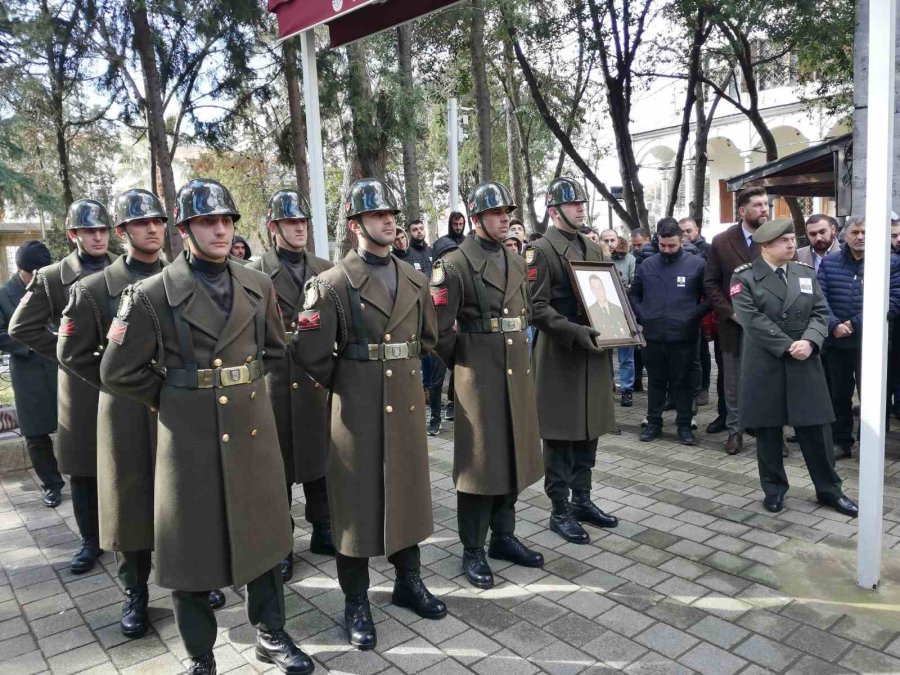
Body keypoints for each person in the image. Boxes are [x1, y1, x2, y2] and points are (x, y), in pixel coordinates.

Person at [99, 178, 312, 675]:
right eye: (206, 222)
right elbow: (116, 371)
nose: (219, 230)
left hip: (251, 432)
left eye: (225, 221)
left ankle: (271, 635)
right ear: (185, 228)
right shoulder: (151, 294)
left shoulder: (257, 284)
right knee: (190, 550)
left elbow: (276, 351)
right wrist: (176, 398)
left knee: (262, 537)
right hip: (188, 440)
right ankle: (200, 654)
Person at [57, 189, 227, 636]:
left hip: (178, 414)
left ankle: (198, 575)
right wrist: (125, 386)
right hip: (128, 412)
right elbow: (73, 354)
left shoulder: (184, 280)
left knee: (189, 501)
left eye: (156, 221)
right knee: (132, 506)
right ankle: (135, 593)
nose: (151, 229)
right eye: (139, 223)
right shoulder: (93, 290)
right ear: (122, 232)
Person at [291, 178, 446, 651]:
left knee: (407, 491)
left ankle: (408, 580)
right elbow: (310, 352)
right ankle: (355, 599)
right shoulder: (331, 284)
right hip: (355, 409)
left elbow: (429, 338)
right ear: (356, 224)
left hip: (403, 404)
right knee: (354, 505)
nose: (389, 221)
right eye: (377, 215)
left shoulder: (416, 278)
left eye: (391, 214)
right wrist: (353, 380)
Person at [431, 180, 544, 589]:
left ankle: (504, 536)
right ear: (477, 218)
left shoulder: (516, 260)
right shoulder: (455, 264)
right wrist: (466, 363)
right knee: (480, 467)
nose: (504, 219)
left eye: (506, 213)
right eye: (496, 213)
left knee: (512, 457)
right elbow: (438, 331)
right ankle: (473, 548)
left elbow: (526, 311)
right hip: (479, 379)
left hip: (515, 373)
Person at [10, 200, 117, 574]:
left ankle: (141, 536)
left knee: (137, 460)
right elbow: (21, 328)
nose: (98, 237)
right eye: (90, 231)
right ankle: (91, 540)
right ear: (74, 235)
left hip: (125, 381)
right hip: (82, 385)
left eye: (103, 230)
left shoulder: (125, 269)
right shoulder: (53, 277)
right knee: (85, 468)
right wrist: (64, 352)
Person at [731, 218, 858, 517]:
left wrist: (812, 341)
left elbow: (820, 310)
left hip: (805, 360)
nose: (791, 244)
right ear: (765, 246)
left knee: (816, 428)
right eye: (783, 240)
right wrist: (789, 345)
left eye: (791, 238)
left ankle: (830, 490)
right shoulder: (744, 278)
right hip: (767, 361)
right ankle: (774, 489)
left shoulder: (804, 273)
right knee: (768, 429)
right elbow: (751, 320)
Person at [249, 189, 336, 584]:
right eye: (290, 223)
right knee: (276, 465)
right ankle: (281, 542)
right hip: (276, 376)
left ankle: (324, 528)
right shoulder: (254, 272)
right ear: (274, 227)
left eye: (303, 222)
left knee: (321, 455)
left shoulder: (325, 268)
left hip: (316, 373)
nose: (299, 229)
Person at [528, 176, 618, 545]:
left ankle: (583, 499)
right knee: (561, 435)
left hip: (593, 354)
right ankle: (560, 509)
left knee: (589, 430)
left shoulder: (593, 249)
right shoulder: (541, 250)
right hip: (561, 355)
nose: (581, 208)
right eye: (573, 204)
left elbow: (608, 296)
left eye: (582, 203)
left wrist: (622, 322)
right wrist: (573, 331)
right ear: (554, 210)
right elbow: (535, 307)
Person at [818, 215, 900, 459]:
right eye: (855, 232)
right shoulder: (829, 262)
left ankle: (871, 444)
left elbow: (893, 300)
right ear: (844, 234)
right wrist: (833, 324)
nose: (860, 237)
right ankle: (842, 441)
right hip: (836, 342)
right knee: (838, 394)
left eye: (865, 232)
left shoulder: (890, 262)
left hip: (871, 342)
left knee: (873, 397)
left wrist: (853, 324)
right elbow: (819, 299)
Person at [629, 219, 709, 445]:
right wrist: (642, 314)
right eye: (663, 245)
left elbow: (710, 296)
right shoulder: (647, 264)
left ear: (681, 241)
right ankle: (654, 422)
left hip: (684, 336)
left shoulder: (696, 264)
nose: (667, 250)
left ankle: (684, 425)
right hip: (653, 335)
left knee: (683, 382)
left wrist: (693, 315)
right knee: (655, 382)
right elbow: (634, 294)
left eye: (672, 246)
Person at [704, 187, 766, 455]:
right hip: (733, 326)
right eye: (758, 205)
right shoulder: (721, 241)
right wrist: (730, 313)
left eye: (767, 204)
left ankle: (768, 433)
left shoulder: (776, 237)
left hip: (768, 326)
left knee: (768, 381)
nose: (765, 209)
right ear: (742, 210)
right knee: (733, 382)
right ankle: (735, 431)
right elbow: (711, 283)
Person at [0, 241, 63, 507]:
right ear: (22, 270)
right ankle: (51, 484)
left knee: (78, 423)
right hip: (30, 372)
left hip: (63, 368)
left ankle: (86, 476)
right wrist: (37, 342)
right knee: (36, 434)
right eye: (34, 273)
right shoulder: (5, 295)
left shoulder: (55, 285)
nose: (40, 278)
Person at [605, 234, 636, 406]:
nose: (610, 244)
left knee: (626, 355)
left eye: (612, 240)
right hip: (603, 311)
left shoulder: (630, 259)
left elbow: (634, 283)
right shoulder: (598, 259)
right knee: (605, 353)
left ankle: (627, 389)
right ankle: (608, 385)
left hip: (624, 310)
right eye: (606, 241)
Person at [585, 275, 630, 339]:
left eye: (600, 286)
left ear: (604, 287)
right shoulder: (591, 311)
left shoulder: (617, 309)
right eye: (594, 288)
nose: (598, 290)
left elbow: (626, 331)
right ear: (592, 290)